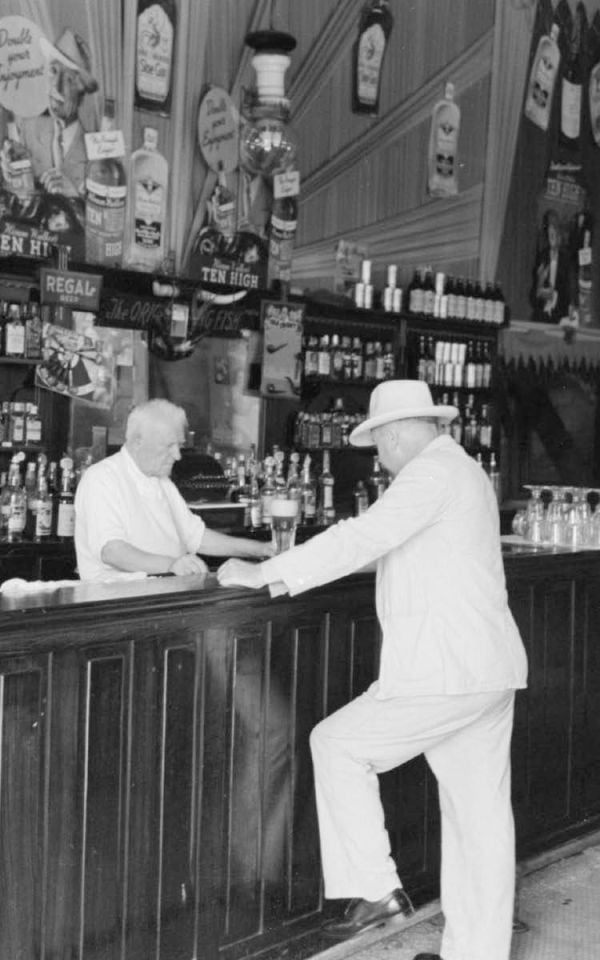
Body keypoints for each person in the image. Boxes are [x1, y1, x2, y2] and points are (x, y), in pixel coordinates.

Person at [217, 380, 528, 960]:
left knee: (336, 744)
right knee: (479, 820)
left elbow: (363, 535)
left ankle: (373, 888)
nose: (377, 457)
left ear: (396, 432)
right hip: (486, 669)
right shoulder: (461, 470)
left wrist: (265, 573)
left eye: (377, 443)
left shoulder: (431, 473)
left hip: (445, 671)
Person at [75, 398, 272, 581]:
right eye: (169, 446)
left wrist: (262, 549)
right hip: (118, 605)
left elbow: (196, 537)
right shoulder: (102, 478)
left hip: (163, 594)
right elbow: (112, 551)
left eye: (179, 445)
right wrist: (172, 564)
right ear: (137, 442)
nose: (177, 456)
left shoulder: (161, 481)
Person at [17, 29, 98, 199]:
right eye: (53, 71)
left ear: (81, 88)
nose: (56, 85)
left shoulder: (95, 153)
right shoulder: (27, 131)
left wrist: (75, 197)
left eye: (68, 79)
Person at [530, 208, 571, 323]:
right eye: (549, 234)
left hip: (560, 317)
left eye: (554, 233)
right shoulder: (542, 257)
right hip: (541, 316)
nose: (551, 238)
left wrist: (555, 296)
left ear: (560, 235)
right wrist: (540, 282)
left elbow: (569, 293)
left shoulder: (566, 260)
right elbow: (533, 298)